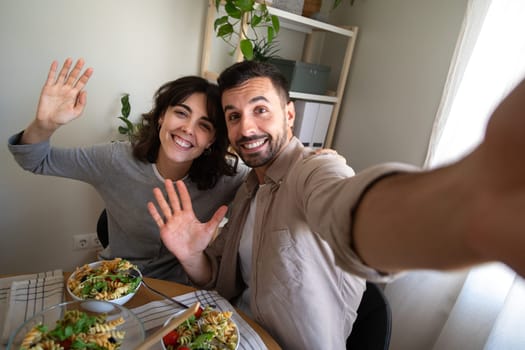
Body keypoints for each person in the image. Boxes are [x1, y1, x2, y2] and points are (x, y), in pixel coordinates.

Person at [147, 60, 525, 349]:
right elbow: (218, 280)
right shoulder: (247, 190)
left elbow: (346, 207)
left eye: (260, 109)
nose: (246, 129)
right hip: (235, 334)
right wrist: (192, 255)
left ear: (289, 114)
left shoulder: (315, 170)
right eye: (234, 116)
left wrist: (465, 208)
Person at [7, 58, 248, 283]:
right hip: (115, 284)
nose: (187, 128)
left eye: (203, 125)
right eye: (181, 113)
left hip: (179, 293)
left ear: (212, 140)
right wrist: (43, 126)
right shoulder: (115, 159)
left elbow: (269, 180)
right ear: (162, 116)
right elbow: (36, 160)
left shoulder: (226, 178)